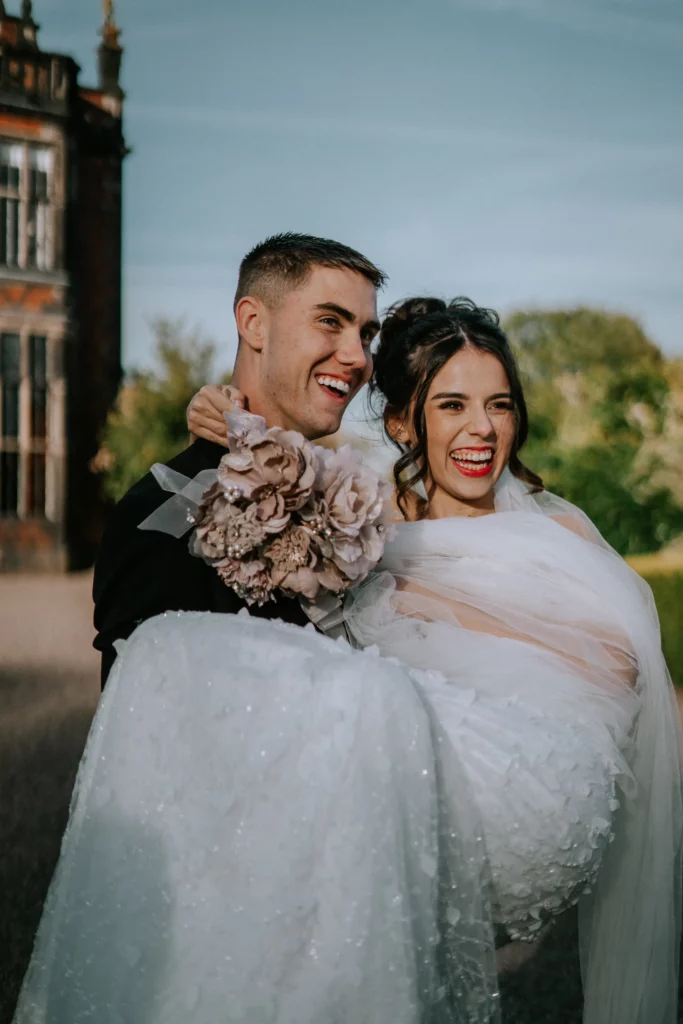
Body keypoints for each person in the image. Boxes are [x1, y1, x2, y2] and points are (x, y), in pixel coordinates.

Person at [13, 301, 681, 1024]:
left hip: (530, 779)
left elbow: (618, 663)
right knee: (195, 680)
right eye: (452, 404)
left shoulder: (551, 525)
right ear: (401, 424)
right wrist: (215, 411)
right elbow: (270, 454)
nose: (481, 429)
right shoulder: (363, 508)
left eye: (499, 405)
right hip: (400, 771)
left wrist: (420, 592)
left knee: (358, 708)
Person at [92, 231, 385, 686]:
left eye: (366, 334)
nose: (357, 357)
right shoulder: (161, 514)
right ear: (253, 324)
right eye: (330, 321)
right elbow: (143, 729)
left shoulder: (352, 510)